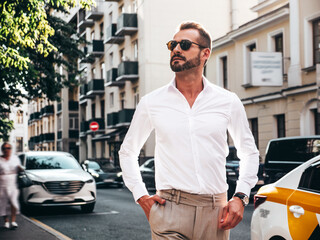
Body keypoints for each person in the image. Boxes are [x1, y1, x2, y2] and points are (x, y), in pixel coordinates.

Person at [119, 22, 259, 240]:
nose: (176, 49)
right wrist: (141, 195)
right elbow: (127, 152)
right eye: (172, 44)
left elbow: (249, 152)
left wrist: (241, 196)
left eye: (184, 45)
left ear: (205, 54)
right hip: (169, 209)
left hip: (216, 212)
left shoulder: (227, 101)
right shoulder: (151, 102)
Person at [0, 142, 23, 229]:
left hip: (13, 183)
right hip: (2, 184)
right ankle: (6, 222)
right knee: (3, 203)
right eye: (5, 148)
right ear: (2, 150)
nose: (7, 150)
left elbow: (20, 170)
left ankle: (13, 221)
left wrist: (20, 169)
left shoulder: (15, 158)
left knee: (13, 202)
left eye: (9, 148)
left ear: (11, 149)